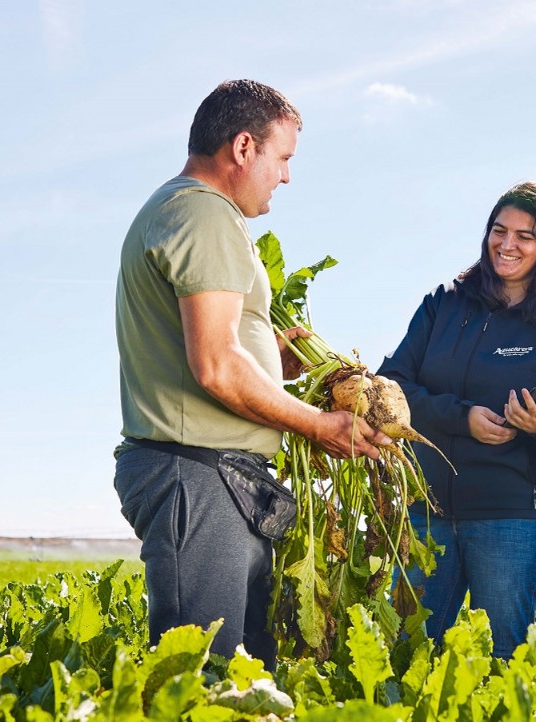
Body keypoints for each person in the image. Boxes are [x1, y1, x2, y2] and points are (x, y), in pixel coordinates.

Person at [113, 79, 390, 669]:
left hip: (211, 475)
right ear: (244, 147)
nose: (286, 176)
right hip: (198, 478)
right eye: (283, 158)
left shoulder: (179, 209)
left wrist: (271, 360)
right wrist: (317, 423)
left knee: (241, 679)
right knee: (206, 681)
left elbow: (214, 348)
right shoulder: (204, 214)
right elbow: (214, 365)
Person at [377, 181, 536, 658]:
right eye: (498, 230)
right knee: (407, 658)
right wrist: (462, 419)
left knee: (504, 661)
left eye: (524, 236)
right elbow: (391, 386)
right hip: (428, 514)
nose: (507, 244)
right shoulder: (443, 304)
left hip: (512, 521)